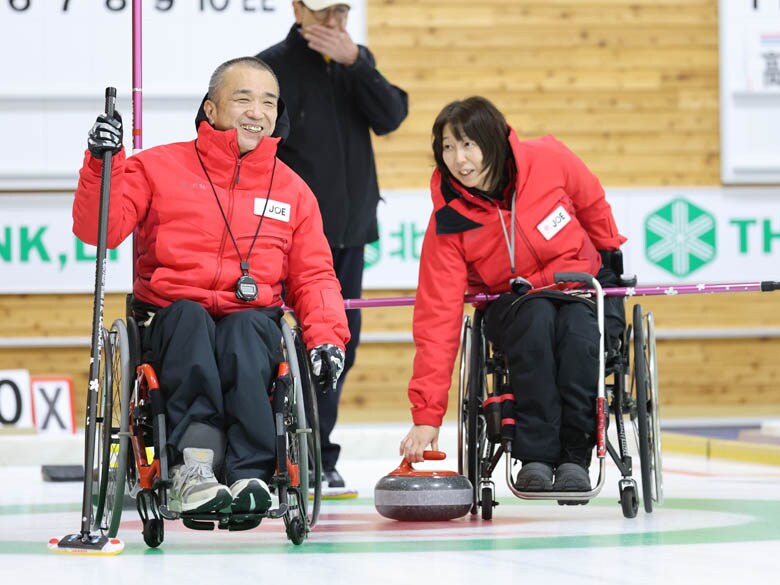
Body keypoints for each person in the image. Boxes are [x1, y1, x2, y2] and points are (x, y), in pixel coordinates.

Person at [73, 56, 350, 516]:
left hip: (253, 319)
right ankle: (194, 467)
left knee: (246, 333)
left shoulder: (293, 190)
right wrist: (104, 164)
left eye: (268, 102)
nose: (256, 112)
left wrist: (326, 339)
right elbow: (97, 230)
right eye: (243, 98)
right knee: (190, 319)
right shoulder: (157, 167)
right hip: (173, 315)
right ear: (211, 108)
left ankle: (250, 475)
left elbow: (314, 275)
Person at [399, 96, 626, 496]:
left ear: (493, 140)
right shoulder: (449, 224)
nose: (458, 158)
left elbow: (592, 202)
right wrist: (427, 414)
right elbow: (438, 319)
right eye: (448, 147)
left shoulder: (549, 159)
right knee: (536, 322)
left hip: (580, 289)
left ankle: (576, 455)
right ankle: (536, 455)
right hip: (515, 303)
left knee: (577, 336)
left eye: (468, 143)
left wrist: (610, 257)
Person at [257, 0, 408, 488]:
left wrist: (357, 64)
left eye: (342, 12)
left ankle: (320, 455)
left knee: (340, 345)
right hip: (289, 240)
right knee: (281, 344)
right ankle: (275, 451)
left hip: (350, 234)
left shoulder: (356, 62)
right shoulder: (270, 68)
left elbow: (391, 115)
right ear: (299, 10)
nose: (336, 23)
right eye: (325, 14)